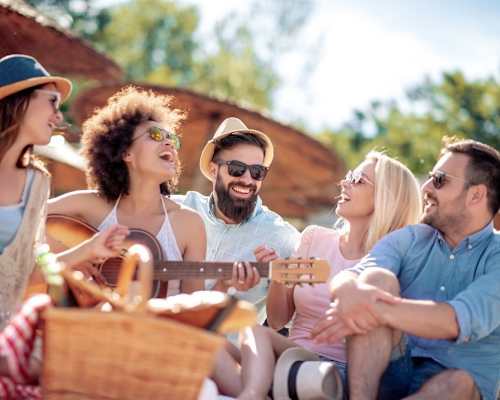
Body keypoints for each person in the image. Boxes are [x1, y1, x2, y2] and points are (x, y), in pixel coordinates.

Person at [213, 151, 422, 399]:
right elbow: (278, 321)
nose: (344, 182)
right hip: (293, 358)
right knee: (213, 341)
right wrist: (281, 277)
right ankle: (253, 395)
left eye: (358, 180)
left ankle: (254, 392)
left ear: (387, 198)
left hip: (341, 373)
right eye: (348, 176)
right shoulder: (315, 237)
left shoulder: (395, 261)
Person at [311, 139, 500, 400]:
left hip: (453, 389)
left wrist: (374, 308)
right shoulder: (412, 238)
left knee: (457, 382)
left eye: (439, 180)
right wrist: (347, 290)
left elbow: (455, 321)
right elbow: (353, 275)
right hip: (393, 371)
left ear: (476, 195)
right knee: (375, 279)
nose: (425, 187)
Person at [0, 54, 128, 329]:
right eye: (52, 102)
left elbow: (26, 273)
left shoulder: (37, 184)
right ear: (20, 100)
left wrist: (90, 249)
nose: (59, 116)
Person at [48, 86, 206, 296]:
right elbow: (19, 221)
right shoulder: (90, 206)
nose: (169, 142)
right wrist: (71, 259)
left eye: (172, 139)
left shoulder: (190, 224)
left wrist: (223, 286)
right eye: (156, 135)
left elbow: (195, 308)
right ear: (125, 152)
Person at [173, 117, 299, 306]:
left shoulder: (283, 237)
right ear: (214, 170)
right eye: (237, 169)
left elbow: (296, 317)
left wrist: (279, 284)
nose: (248, 180)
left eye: (257, 172)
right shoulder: (176, 210)